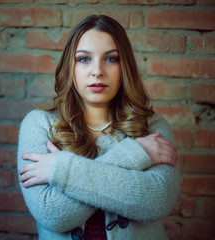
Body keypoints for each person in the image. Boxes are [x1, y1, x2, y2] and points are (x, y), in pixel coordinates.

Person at [17, 15, 180, 240]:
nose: (97, 71)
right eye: (84, 59)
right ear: (69, 66)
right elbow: (53, 214)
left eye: (111, 59)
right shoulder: (39, 125)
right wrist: (134, 154)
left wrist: (61, 169)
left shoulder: (152, 127)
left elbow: (157, 202)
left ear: (125, 67)